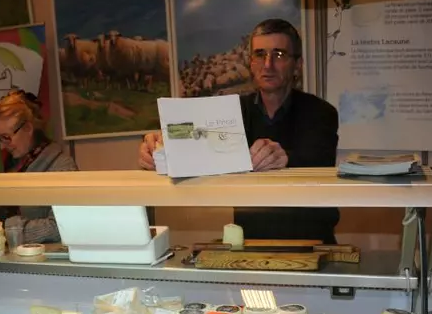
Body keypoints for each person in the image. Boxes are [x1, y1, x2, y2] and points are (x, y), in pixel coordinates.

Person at [138, 18, 340, 244]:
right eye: (260, 54)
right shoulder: (232, 110)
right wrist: (162, 145)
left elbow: (319, 158)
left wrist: (285, 157)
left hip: (312, 245)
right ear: (251, 62)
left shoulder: (321, 112)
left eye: (279, 55)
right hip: (250, 244)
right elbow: (195, 135)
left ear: (298, 64)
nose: (268, 64)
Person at [0, 90, 78, 243]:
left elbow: (61, 227)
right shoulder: (17, 163)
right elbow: (11, 202)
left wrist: (3, 228)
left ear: (27, 128)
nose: (2, 146)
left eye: (6, 138)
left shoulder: (62, 166)